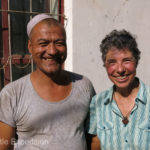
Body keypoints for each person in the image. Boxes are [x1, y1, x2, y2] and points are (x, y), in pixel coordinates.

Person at [0, 13, 96, 150]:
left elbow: (93, 138)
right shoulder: (12, 94)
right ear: (30, 46)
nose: (52, 51)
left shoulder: (84, 86)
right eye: (43, 43)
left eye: (59, 43)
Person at [86, 29, 150, 150]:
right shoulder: (98, 103)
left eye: (126, 60)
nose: (120, 69)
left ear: (136, 62)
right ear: (105, 65)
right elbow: (95, 144)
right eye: (112, 62)